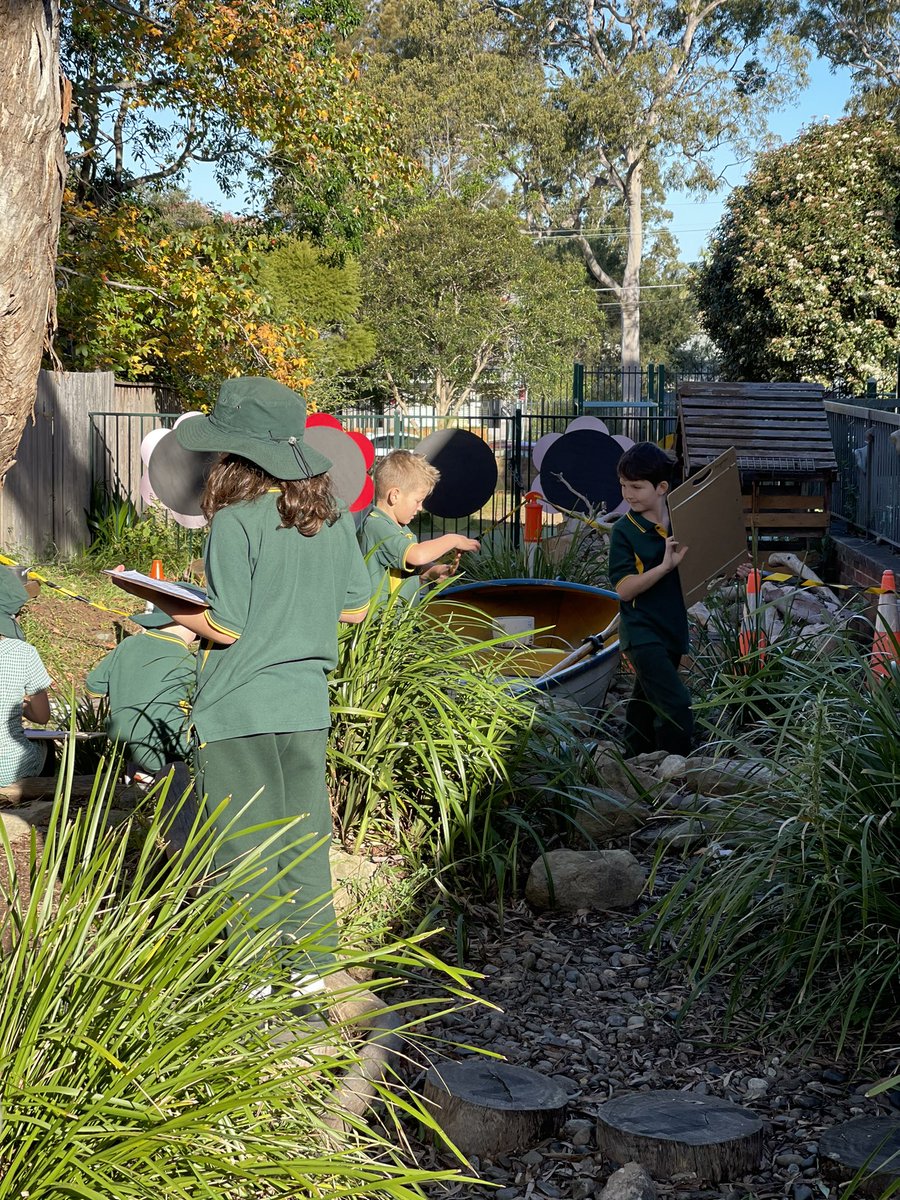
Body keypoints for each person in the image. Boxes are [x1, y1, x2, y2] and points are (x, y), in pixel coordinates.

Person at [121, 376, 371, 989]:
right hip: (306, 704)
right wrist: (296, 607)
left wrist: (163, 602)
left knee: (244, 844)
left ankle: (255, 977)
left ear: (237, 456)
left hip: (239, 709)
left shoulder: (235, 521)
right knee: (305, 837)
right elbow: (356, 607)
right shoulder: (333, 520)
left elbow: (228, 627)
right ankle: (313, 970)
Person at [607, 442, 693, 757]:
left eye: (636, 486)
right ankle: (679, 772)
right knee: (676, 707)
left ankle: (631, 761)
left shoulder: (684, 521)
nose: (628, 493)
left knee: (643, 706)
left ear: (661, 487)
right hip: (641, 632)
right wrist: (664, 568)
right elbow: (624, 589)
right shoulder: (623, 532)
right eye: (623, 485)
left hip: (672, 628)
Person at [85, 603, 199, 779]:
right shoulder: (189, 662)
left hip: (122, 741)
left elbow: (94, 688)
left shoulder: (128, 644)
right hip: (166, 752)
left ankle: (139, 778)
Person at [358, 449, 480, 603]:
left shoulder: (398, 526)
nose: (421, 507)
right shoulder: (377, 526)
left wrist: (433, 571)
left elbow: (407, 564)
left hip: (402, 621)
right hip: (383, 624)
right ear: (394, 495)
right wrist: (452, 539)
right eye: (417, 501)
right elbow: (416, 555)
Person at [0, 567, 53, 786]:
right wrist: (21, 707)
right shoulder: (22, 652)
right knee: (45, 750)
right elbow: (42, 717)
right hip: (9, 767)